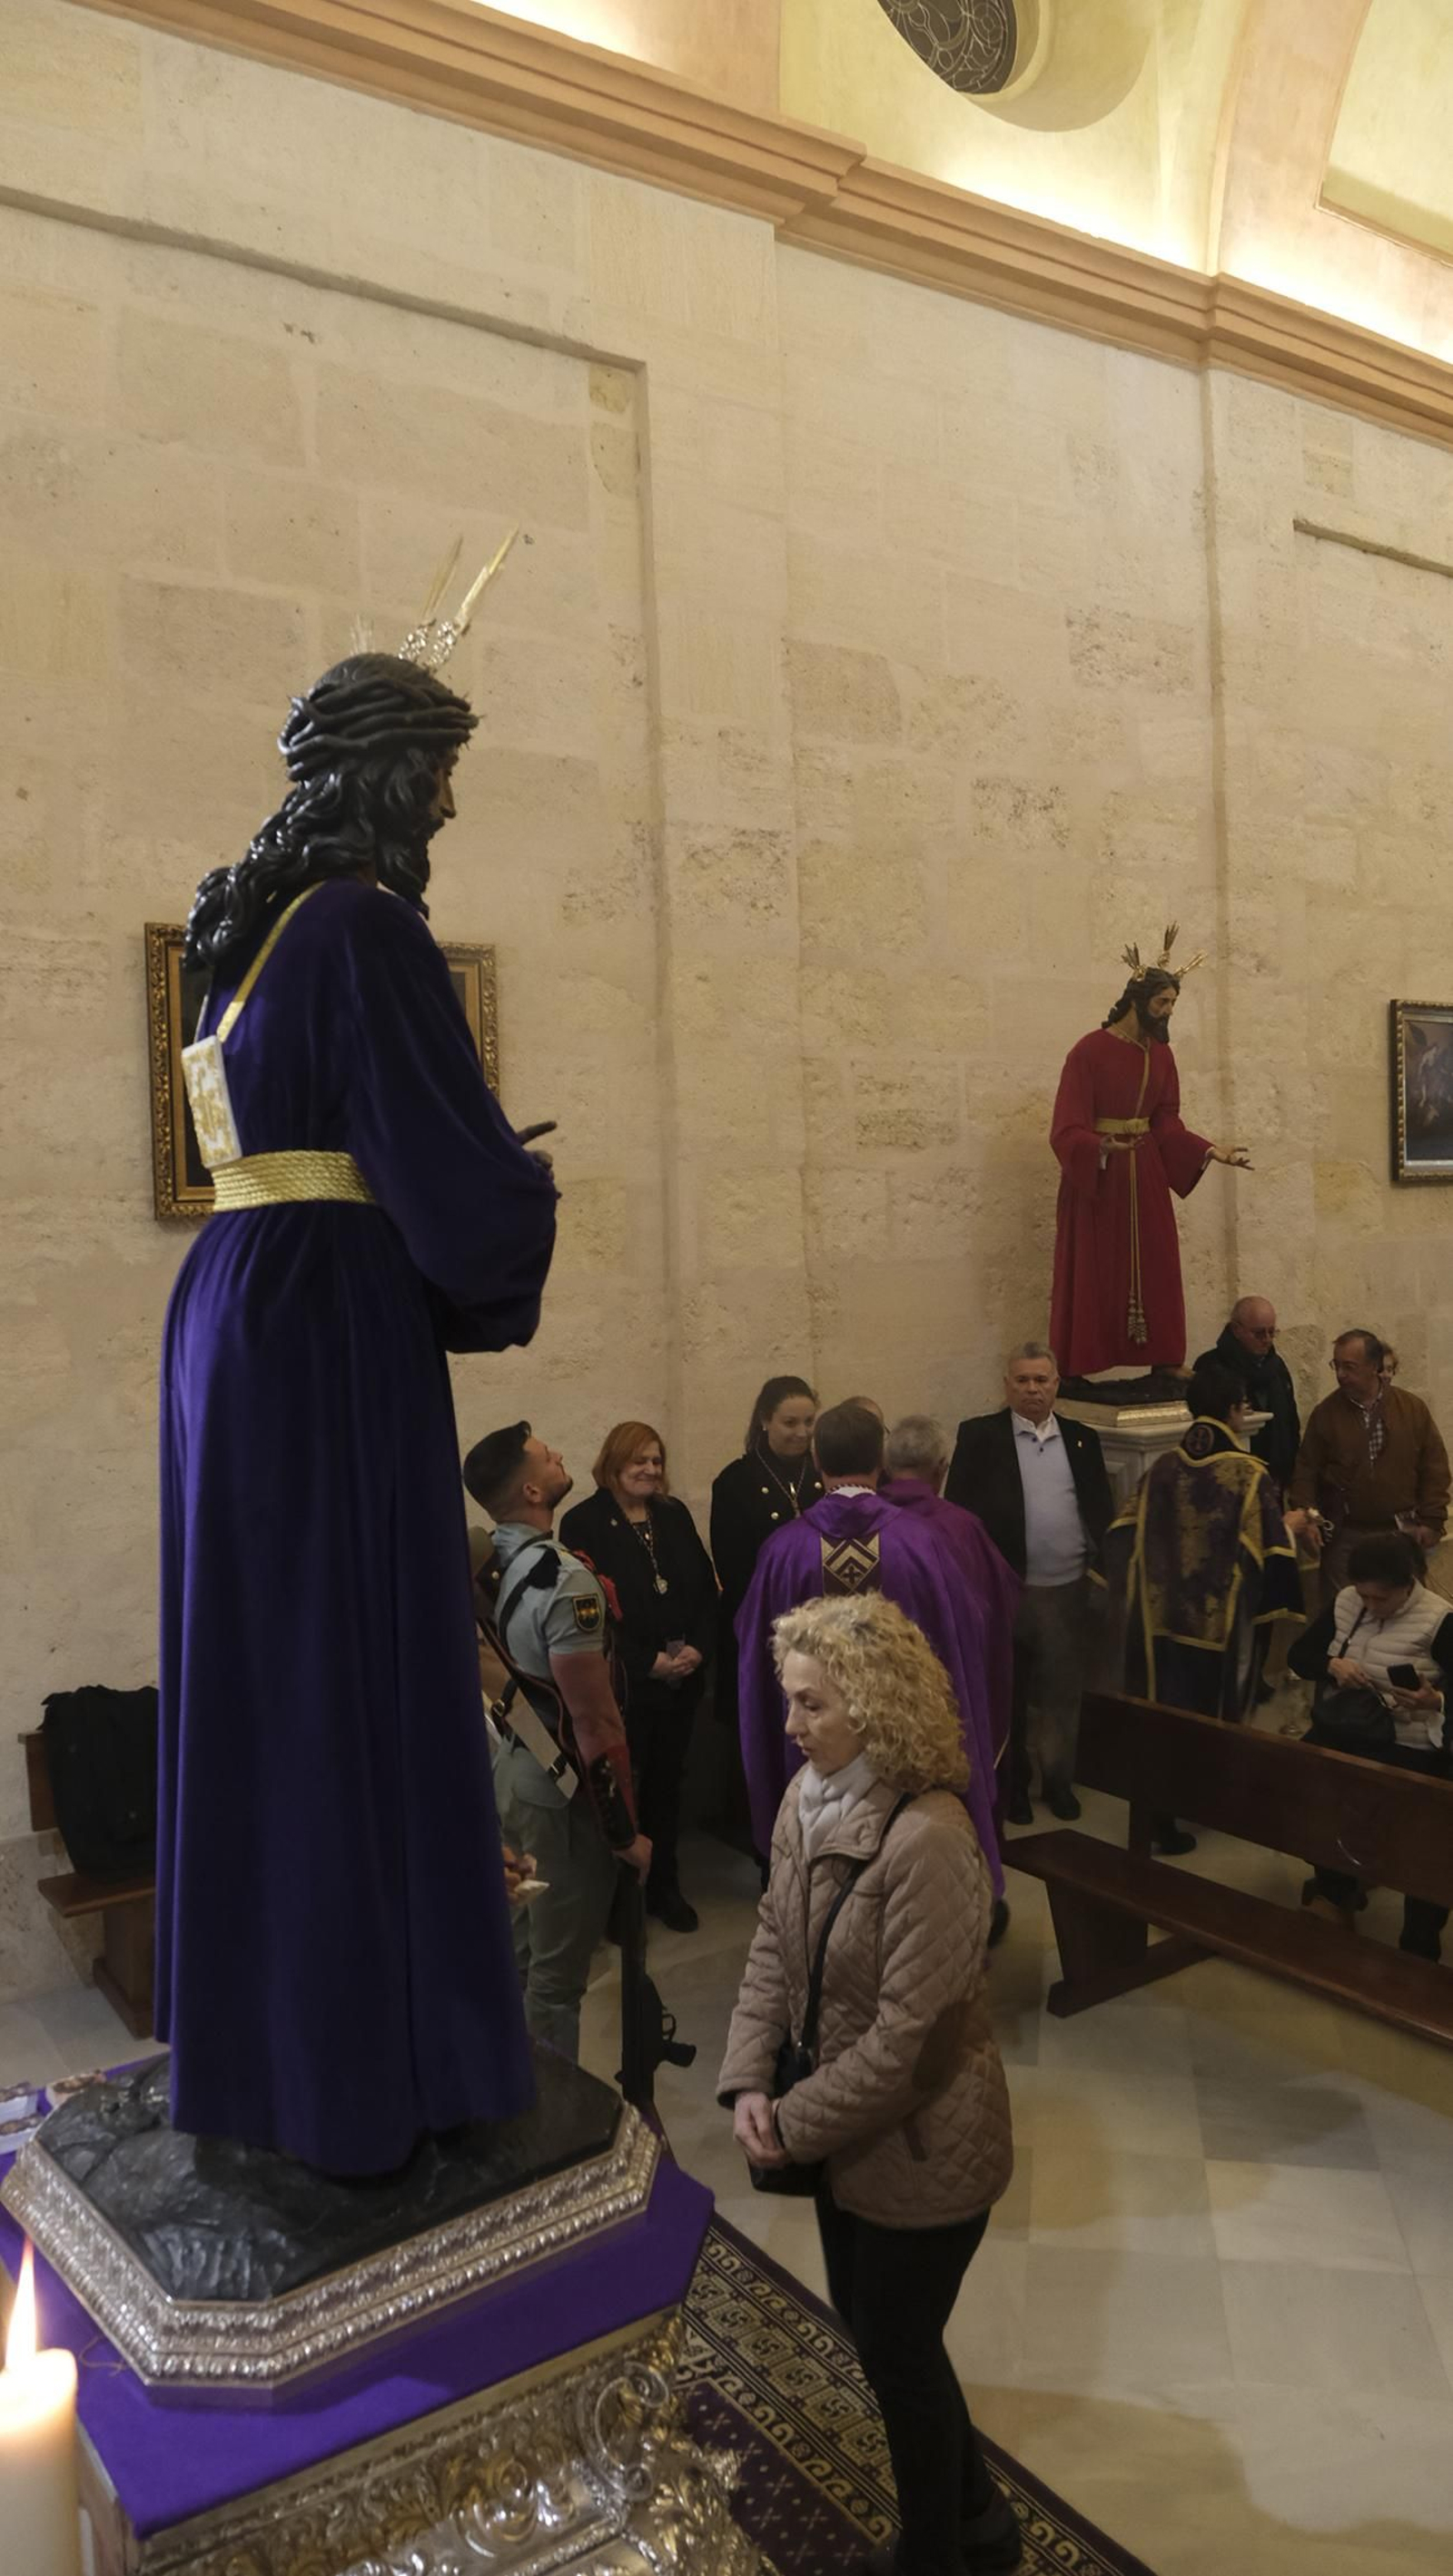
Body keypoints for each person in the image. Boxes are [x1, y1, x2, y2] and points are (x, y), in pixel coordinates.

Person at [157, 638, 558, 2173]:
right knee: (352, 1674)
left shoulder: (236, 925)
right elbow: (450, 1179)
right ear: (387, 774)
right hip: (327, 1315)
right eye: (439, 779)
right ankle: (372, 2074)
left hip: (231, 1298)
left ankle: (270, 2052)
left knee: (272, 1671)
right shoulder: (367, 928)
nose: (445, 813)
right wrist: (522, 1190)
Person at [718, 1595, 1018, 2576]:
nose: (790, 1724)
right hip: (851, 2137)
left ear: (876, 1706)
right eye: (788, 1699)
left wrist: (791, 2122)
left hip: (926, 2147)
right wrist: (746, 2078)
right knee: (890, 2338)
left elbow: (910, 2042)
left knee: (896, 2347)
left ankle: (933, 2554)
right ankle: (978, 2516)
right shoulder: (809, 1795)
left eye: (811, 1704)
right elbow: (773, 1942)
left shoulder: (927, 1836)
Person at [736, 1402, 1004, 1900]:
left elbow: (753, 1651)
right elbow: (966, 1634)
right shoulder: (921, 1542)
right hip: (907, 1748)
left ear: (818, 1463)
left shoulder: (783, 1549)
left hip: (814, 1748)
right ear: (880, 1462)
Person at [463, 1423, 650, 2060]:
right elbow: (594, 1720)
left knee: (516, 1954)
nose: (561, 1453)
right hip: (561, 1794)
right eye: (549, 1454)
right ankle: (553, 2122)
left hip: (514, 1769)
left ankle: (505, 2084)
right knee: (556, 1978)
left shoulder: (493, 1563)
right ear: (533, 1487)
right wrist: (624, 1832)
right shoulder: (566, 1581)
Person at [1102, 1359, 1305, 1851]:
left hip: (1158, 1622)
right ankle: (1207, 1802)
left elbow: (1121, 1535)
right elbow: (1271, 1550)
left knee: (1162, 1718)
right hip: (1217, 1624)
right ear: (1235, 1411)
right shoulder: (1248, 1475)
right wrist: (1293, 1534)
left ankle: (1157, 1816)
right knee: (1209, 1717)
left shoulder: (1162, 1470)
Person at [1049, 928, 1250, 1379]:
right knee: (1097, 1268)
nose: (1168, 1012)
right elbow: (1066, 1127)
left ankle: (1163, 1360)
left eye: (1173, 1004)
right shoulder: (1089, 1052)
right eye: (1162, 1003)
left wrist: (1211, 1150)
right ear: (1138, 1000)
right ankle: (1082, 1363)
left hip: (1147, 1175)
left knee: (1157, 1264)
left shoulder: (1161, 1055)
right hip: (1099, 1179)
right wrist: (1100, 1146)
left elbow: (1166, 1122)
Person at [945, 1345, 1113, 1827]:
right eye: (1023, 1380)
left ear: (1057, 1385)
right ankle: (1014, 1787)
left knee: (1062, 1695)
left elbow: (1100, 1509)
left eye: (1042, 1380)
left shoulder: (1082, 1439)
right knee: (1012, 1695)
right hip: (1008, 1591)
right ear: (1006, 1385)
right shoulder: (979, 1437)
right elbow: (960, 1514)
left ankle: (1059, 1782)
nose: (1033, 1389)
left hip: (1067, 1589)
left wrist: (1101, 1576)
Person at [560, 1421, 717, 1933]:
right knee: (625, 1790)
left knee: (668, 1787)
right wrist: (643, 1660)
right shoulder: (583, 1522)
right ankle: (623, 1899)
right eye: (639, 1461)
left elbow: (702, 1588)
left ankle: (665, 1887)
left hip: (680, 1680)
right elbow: (590, 1614)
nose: (650, 1470)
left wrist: (697, 1645)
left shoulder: (672, 1515)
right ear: (613, 1464)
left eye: (657, 1461)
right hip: (625, 1684)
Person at [1287, 1532, 1452, 1958]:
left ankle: (1420, 1936)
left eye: (1381, 1599)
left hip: (1409, 1744)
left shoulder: (1439, 1619)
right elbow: (1298, 1657)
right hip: (1347, 1730)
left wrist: (1435, 1700)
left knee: (1425, 1840)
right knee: (1307, 1792)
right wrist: (1331, 1665)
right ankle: (1335, 1891)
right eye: (1364, 1596)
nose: (1370, 1606)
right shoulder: (1347, 1602)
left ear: (1408, 1584)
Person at [880, 1413, 1020, 1790]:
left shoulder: (865, 1525)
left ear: (887, 1466)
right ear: (942, 1468)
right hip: (947, 1688)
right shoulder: (961, 1527)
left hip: (881, 1693)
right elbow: (1000, 1600)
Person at [1288, 1328, 1449, 1603]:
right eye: (1336, 1366)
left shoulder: (1411, 1409)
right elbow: (1306, 1470)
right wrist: (1308, 1518)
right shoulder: (1326, 1414)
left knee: (1405, 1612)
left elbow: (1434, 1467)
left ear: (1374, 1367)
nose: (1340, 1374)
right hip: (1346, 1535)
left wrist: (1433, 1520)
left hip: (1401, 1533)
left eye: (1349, 1367)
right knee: (1342, 1615)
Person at [709, 1376, 822, 1742]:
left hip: (820, 1634)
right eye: (790, 1423)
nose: (802, 1433)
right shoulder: (734, 1482)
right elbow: (734, 1569)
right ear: (764, 1421)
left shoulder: (824, 1474)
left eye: (809, 1422)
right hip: (759, 1631)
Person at [1193, 1296, 1301, 1492]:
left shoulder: (1277, 1367)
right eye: (1259, 1333)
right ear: (1236, 1330)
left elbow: (1290, 1421)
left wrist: (1290, 1470)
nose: (1267, 1340)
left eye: (1272, 1332)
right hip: (1231, 1481)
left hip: (1275, 1477)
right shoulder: (1211, 1368)